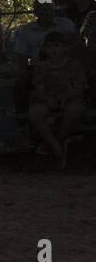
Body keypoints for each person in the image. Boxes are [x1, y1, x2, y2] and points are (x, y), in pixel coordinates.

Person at [26, 33, 86, 168]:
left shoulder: (74, 65)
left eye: (58, 46)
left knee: (75, 111)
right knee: (34, 114)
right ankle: (56, 145)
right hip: (47, 99)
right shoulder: (41, 67)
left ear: (66, 48)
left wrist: (66, 96)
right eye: (50, 46)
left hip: (70, 99)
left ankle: (55, 141)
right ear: (44, 49)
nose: (54, 50)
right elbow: (39, 87)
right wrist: (47, 99)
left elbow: (79, 86)